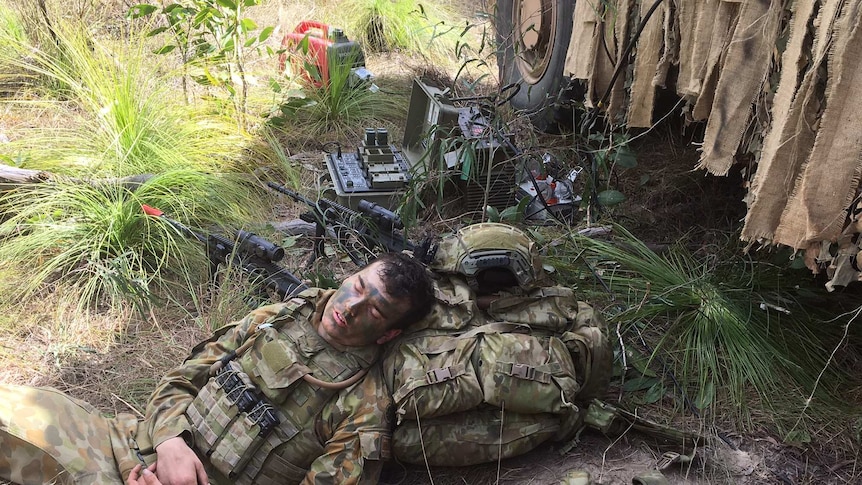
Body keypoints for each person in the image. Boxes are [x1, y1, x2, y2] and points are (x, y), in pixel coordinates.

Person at [0, 252, 435, 485]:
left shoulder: (363, 407)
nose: (351, 307)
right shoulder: (276, 317)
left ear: (388, 335)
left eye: (375, 310)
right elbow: (180, 381)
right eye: (358, 286)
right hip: (135, 442)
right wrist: (170, 443)